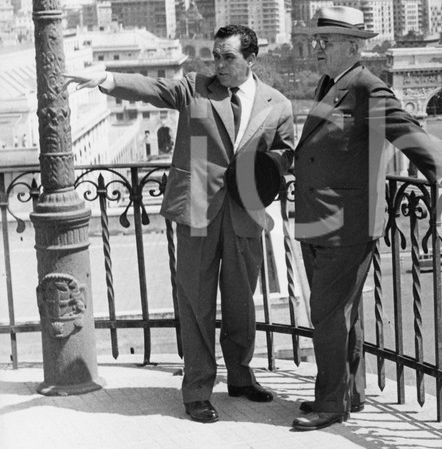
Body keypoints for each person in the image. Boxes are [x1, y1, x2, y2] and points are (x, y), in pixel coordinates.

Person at [66, 25, 294, 423]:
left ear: (251, 59)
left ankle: (240, 376)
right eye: (215, 56)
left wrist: (270, 168)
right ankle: (197, 390)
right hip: (198, 213)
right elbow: (152, 88)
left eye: (228, 58)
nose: (218, 65)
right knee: (196, 302)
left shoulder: (278, 104)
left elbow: (285, 153)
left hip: (246, 213)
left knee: (241, 303)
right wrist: (105, 79)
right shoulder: (195, 87)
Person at [292, 6, 442, 431]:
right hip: (320, 219)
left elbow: (408, 132)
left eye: (326, 42)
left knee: (328, 316)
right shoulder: (330, 83)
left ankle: (331, 403)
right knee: (342, 315)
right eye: (317, 40)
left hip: (344, 225)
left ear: (354, 48)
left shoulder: (366, 88)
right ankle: (347, 393)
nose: (316, 48)